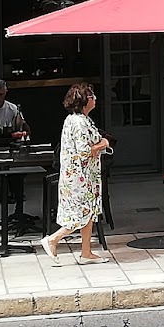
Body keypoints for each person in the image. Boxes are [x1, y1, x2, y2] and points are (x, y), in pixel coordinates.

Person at [39, 83, 110, 265]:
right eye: (92, 96)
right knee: (78, 214)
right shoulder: (78, 122)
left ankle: (86, 252)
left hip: (84, 176)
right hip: (80, 177)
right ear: (84, 101)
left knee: (89, 213)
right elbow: (85, 151)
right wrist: (103, 144)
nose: (95, 99)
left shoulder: (78, 119)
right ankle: (53, 239)